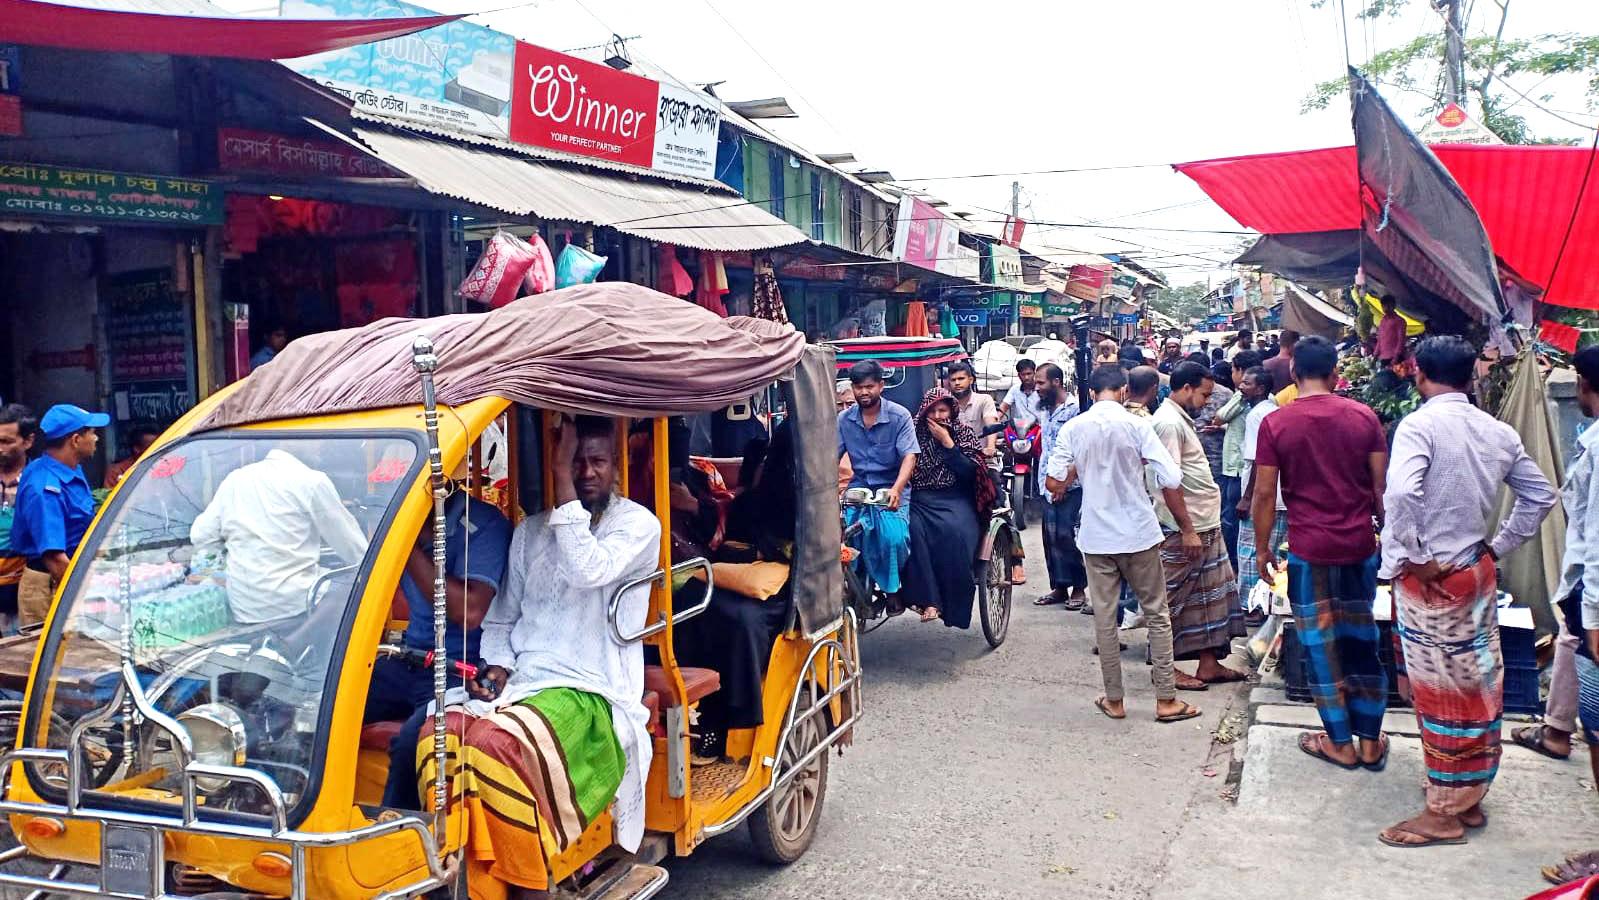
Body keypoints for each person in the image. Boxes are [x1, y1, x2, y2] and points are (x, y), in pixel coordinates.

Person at [422, 417, 659, 896]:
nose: (586, 472)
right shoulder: (530, 532)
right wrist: (497, 665)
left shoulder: (638, 524)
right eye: (576, 462)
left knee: (495, 746)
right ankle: (467, 879)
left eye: (596, 462)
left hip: (592, 688)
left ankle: (529, 884)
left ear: (616, 465)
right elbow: (503, 619)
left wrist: (561, 478)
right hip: (526, 681)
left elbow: (587, 568)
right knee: (435, 737)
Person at [1376, 335, 1556, 847]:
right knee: (1477, 685)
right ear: (1471, 373)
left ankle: (1445, 810)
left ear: (1417, 372)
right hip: (1473, 568)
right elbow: (1540, 496)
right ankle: (1465, 795)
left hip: (1434, 576)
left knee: (1442, 694)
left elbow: (1402, 493)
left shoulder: (1420, 425)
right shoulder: (1495, 429)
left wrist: (1415, 554)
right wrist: (1496, 548)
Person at [1251, 335, 1390, 772]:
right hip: (1359, 547)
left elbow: (1262, 494)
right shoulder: (1364, 417)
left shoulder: (1276, 423)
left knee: (1320, 645)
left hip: (1310, 550)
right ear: (1335, 373)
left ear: (1294, 374)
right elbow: (1382, 489)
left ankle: (1339, 742)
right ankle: (1370, 741)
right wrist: (1388, 536)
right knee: (1362, 639)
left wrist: (1260, 548)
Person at [1044, 365, 1202, 725]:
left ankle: (1114, 699)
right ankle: (1166, 700)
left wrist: (1075, 475)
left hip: (1097, 537)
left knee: (1105, 618)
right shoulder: (1137, 426)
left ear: (1093, 392)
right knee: (1157, 615)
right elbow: (1171, 477)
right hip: (1138, 533)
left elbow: (1053, 484)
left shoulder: (1073, 428)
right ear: (1123, 390)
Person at [364, 467, 512, 810]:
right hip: (409, 658)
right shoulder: (390, 523)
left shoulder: (484, 525)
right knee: (324, 702)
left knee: (412, 743)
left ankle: (399, 841)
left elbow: (468, 610)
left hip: (465, 668)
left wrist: (406, 539)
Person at [1526, 348, 1599, 884]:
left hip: (1593, 600)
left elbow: (1595, 540)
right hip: (1587, 599)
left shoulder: (1596, 447)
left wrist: (1592, 616)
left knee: (1598, 727)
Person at [190, 442, 370, 624]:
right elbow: (355, 549)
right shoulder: (312, 481)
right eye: (313, 440)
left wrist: (224, 567)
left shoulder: (235, 479)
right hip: (296, 603)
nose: (320, 445)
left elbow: (202, 536)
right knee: (352, 591)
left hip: (243, 607)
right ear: (292, 441)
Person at [1152, 362, 1245, 686]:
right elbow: (1168, 481)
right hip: (1185, 527)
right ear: (1187, 388)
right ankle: (1165, 670)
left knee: (1209, 596)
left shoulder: (1178, 420)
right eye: (1204, 394)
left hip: (1204, 522)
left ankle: (1209, 663)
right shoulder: (1167, 423)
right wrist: (1187, 529)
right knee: (1171, 598)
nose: (1207, 401)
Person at [10, 404, 107, 626]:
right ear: (75, 440)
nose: (96, 438)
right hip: (51, 585)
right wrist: (89, 595)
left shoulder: (69, 468)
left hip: (69, 576)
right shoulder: (45, 488)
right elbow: (55, 559)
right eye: (91, 432)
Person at [903, 388, 987, 626]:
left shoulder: (962, 432)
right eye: (934, 410)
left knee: (955, 536)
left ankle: (954, 609)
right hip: (919, 498)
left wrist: (948, 444)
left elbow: (971, 473)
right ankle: (929, 601)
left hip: (954, 498)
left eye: (943, 410)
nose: (939, 416)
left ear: (952, 411)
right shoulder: (913, 433)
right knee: (911, 532)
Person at [838, 360, 918, 596]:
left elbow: (909, 457)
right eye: (858, 387)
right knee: (842, 536)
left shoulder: (899, 416)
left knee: (893, 539)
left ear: (881, 386)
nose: (864, 392)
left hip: (892, 489)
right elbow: (830, 457)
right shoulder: (844, 420)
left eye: (869, 386)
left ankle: (893, 591)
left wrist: (896, 489)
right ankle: (853, 589)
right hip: (859, 487)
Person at [1031, 363, 1087, 609]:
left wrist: (1064, 483)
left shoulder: (1075, 409)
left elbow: (1080, 450)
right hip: (1047, 482)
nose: (1037, 388)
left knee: (1066, 535)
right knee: (1050, 536)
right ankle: (1059, 587)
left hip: (1070, 484)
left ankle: (1079, 588)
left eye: (1041, 383)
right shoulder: (1044, 409)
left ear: (1056, 382)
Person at [1234, 367, 1285, 603]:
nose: (1241, 387)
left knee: (1252, 551)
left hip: (1262, 496)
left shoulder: (1259, 415)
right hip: (1272, 495)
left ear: (1260, 388)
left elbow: (1258, 460)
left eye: (1247, 384)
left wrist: (1247, 498)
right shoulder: (1268, 410)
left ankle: (1250, 604)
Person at [1213, 351, 1262, 566]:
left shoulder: (1243, 397)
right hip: (1239, 467)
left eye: (1234, 370)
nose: (1236, 378)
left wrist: (1240, 394)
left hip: (1238, 468)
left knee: (1231, 519)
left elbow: (1220, 416)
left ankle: (1233, 563)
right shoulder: (1257, 401)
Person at [0, 404, 37, 635]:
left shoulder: (36, 480)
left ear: (28, 441)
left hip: (21, 593)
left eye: (6, 442)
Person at [949, 361, 998, 457]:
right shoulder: (946, 404)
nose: (957, 383)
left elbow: (991, 425)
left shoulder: (984, 400)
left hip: (982, 456)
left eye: (961, 379)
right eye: (953, 380)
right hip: (956, 458)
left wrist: (990, 447)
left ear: (971, 380)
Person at [103, 424, 160, 489]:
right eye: (152, 446)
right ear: (137, 449)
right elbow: (110, 496)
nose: (156, 449)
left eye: (159, 446)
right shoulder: (117, 472)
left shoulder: (163, 466)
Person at [998, 359, 1041, 431]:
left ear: (1034, 373)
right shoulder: (1015, 389)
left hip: (1039, 429)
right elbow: (1004, 407)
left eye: (1029, 374)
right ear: (1019, 375)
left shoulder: (1041, 390)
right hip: (1020, 429)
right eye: (1023, 374)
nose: (1026, 377)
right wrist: (995, 420)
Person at [1376, 295, 1407, 364]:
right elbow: (1380, 339)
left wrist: (1396, 357)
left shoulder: (1400, 320)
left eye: (1389, 306)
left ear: (1394, 306)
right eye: (1383, 306)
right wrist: (1375, 355)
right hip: (1384, 357)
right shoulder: (1382, 321)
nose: (1386, 308)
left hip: (1396, 358)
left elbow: (1401, 340)